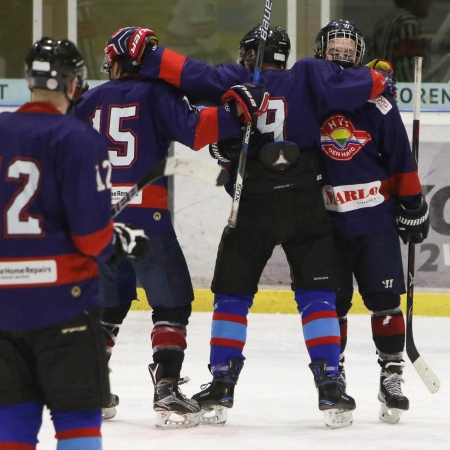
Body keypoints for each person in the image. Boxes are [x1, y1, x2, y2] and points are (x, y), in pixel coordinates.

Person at [127, 23, 396, 429]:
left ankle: (221, 383)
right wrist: (379, 77)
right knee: (317, 292)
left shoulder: (237, 79)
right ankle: (330, 386)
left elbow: (190, 75)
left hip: (254, 199)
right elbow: (355, 85)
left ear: (248, 54)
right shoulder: (308, 72)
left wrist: (147, 55)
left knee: (232, 294)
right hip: (306, 199)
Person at [72, 26, 269, 429]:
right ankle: (165, 389)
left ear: (118, 60)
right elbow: (197, 130)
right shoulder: (155, 93)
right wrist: (236, 112)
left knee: (109, 302)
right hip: (145, 217)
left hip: (96, 220)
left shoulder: (87, 101)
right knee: (172, 304)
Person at [0, 37, 148, 449]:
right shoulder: (79, 139)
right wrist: (115, 242)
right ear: (74, 84)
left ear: (30, 80)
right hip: (65, 305)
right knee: (78, 421)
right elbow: (90, 237)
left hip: (3, 310)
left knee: (10, 425)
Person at [314, 19, 429, 424]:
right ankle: (334, 377)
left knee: (384, 302)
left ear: (360, 56)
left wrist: (412, 204)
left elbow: (400, 157)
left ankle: (391, 375)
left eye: (348, 49)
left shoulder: (379, 103)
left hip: (373, 221)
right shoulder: (309, 98)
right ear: (321, 53)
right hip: (324, 225)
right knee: (333, 306)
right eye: (335, 48)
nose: (342, 54)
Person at [369, 0, 432, 82]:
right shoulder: (408, 22)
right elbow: (407, 67)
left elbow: (371, 56)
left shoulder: (385, 21)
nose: (429, 3)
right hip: (398, 90)